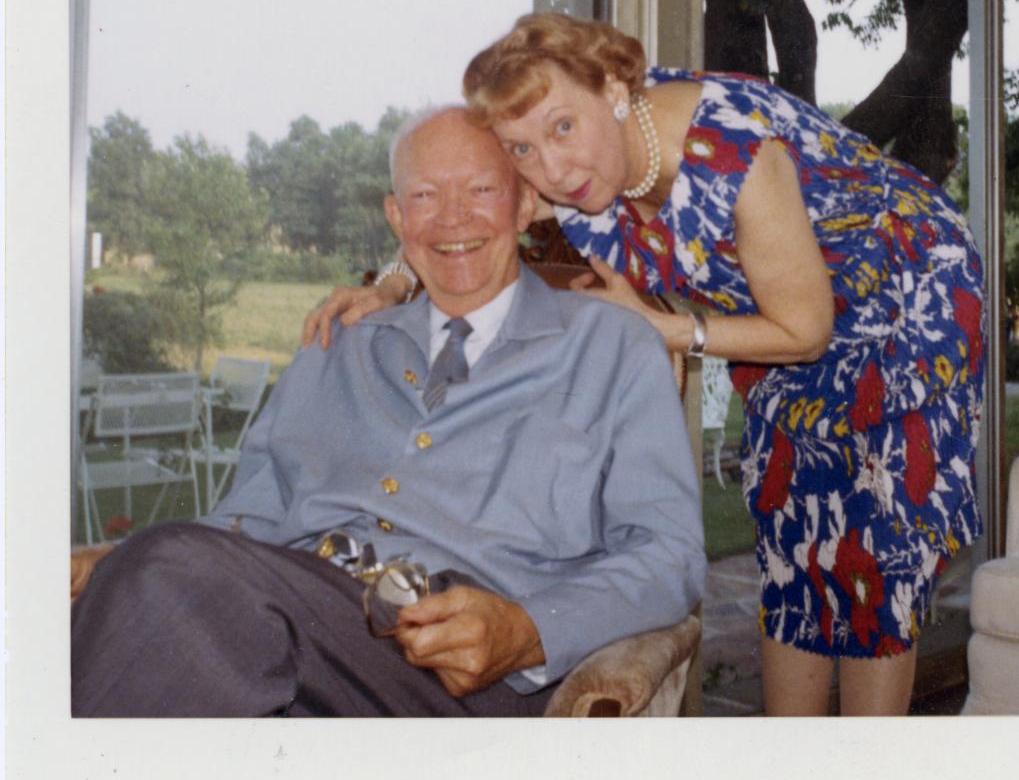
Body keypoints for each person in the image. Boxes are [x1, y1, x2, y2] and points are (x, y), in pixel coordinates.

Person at [307, 14, 986, 717]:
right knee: (797, 547)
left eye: (563, 128)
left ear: (613, 86)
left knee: (872, 562)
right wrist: (389, 286)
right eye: (522, 148)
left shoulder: (731, 154)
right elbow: (464, 218)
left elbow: (805, 330)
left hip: (907, 300)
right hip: (784, 310)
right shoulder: (565, 173)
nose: (551, 167)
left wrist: (662, 328)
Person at [72, 106, 705, 717]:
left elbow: (668, 553)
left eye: (481, 189)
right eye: (425, 197)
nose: (453, 219)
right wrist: (123, 564)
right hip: (297, 631)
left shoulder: (612, 346)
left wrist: (530, 629)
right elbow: (250, 519)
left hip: (458, 673)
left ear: (525, 204)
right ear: (397, 218)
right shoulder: (339, 344)